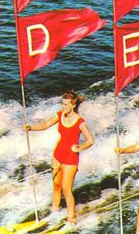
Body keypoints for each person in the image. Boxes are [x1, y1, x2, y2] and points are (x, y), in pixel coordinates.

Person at [23, 91, 95, 224]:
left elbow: (90, 140)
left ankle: (71, 218)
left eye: (66, 105)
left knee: (66, 188)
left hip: (71, 158)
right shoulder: (59, 115)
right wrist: (31, 128)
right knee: (56, 185)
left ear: (73, 105)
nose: (63, 107)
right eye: (62, 104)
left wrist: (79, 148)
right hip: (58, 154)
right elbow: (45, 124)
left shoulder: (80, 122)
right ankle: (54, 212)